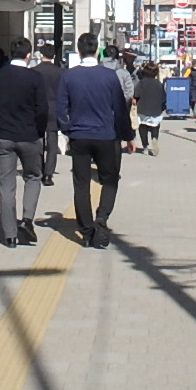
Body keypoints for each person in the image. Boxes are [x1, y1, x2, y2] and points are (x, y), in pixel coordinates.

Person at [57, 31, 133, 247]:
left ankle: (87, 230)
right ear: (97, 50)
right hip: (106, 135)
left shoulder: (69, 76)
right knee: (110, 179)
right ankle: (102, 217)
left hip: (79, 136)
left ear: (79, 50)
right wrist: (128, 136)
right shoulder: (109, 76)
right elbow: (120, 109)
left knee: (81, 184)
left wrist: (67, 129)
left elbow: (60, 108)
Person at [0, 36, 46, 248]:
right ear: (28, 55)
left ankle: (10, 236)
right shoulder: (35, 78)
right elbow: (42, 110)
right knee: (33, 177)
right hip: (30, 136)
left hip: (4, 137)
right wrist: (39, 131)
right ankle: (27, 220)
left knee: (6, 186)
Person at [33, 42, 66, 185]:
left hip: (37, 110)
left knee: (38, 142)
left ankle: (39, 170)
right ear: (54, 56)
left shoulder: (34, 71)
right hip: (54, 110)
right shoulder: (60, 72)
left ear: (41, 55)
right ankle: (48, 174)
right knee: (52, 144)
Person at [133, 61, 166, 155]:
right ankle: (154, 138)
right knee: (155, 126)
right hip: (156, 109)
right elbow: (164, 98)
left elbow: (136, 95)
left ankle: (145, 146)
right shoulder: (159, 84)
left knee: (142, 128)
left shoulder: (141, 83)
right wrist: (162, 108)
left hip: (143, 109)